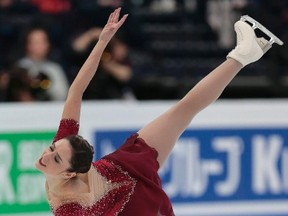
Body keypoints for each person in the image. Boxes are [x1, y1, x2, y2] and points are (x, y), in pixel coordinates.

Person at [35, 8, 280, 216]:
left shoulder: (65, 182)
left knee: (182, 111)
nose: (47, 154)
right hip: (133, 205)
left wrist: (102, 41)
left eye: (54, 150)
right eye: (55, 154)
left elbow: (75, 91)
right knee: (182, 112)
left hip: (123, 165)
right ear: (68, 174)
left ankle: (243, 54)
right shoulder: (71, 209)